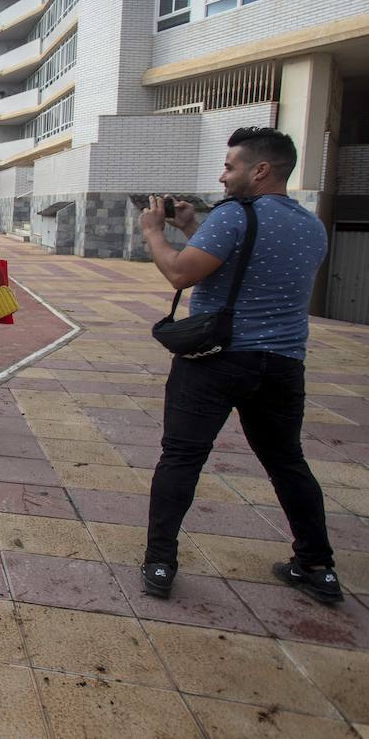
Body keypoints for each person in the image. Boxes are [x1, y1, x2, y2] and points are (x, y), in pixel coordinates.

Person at [139, 126, 341, 604]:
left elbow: (180, 271)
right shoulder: (311, 225)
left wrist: (153, 232)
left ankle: (161, 561)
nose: (223, 176)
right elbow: (248, 265)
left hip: (216, 361)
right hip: (283, 365)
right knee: (287, 461)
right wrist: (192, 228)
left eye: (230, 166)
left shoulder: (234, 216)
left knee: (182, 458)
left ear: (261, 170)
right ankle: (318, 566)